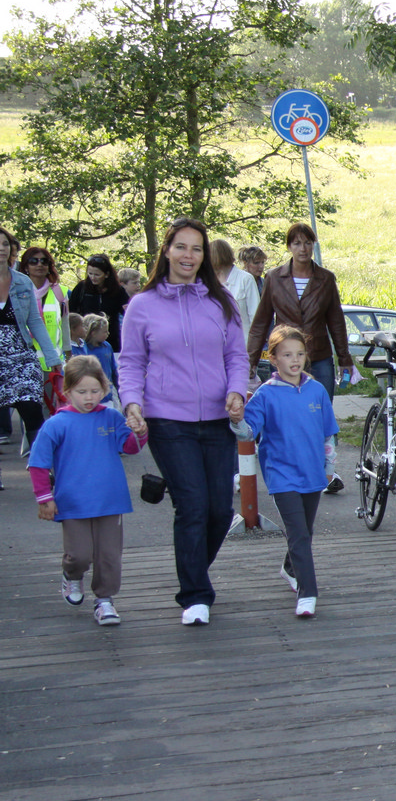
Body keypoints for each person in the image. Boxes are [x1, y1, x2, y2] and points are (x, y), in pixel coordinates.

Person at [119, 217, 248, 627]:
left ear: (204, 256)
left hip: (218, 419)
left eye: (196, 248)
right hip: (167, 420)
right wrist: (132, 403)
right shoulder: (143, 304)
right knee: (192, 505)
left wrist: (237, 390)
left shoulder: (221, 301)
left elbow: (236, 356)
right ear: (166, 251)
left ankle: (194, 570)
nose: (188, 255)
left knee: (219, 511)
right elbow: (131, 361)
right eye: (181, 247)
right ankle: (195, 594)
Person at [28, 355, 148, 627]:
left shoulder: (112, 417)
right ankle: (72, 575)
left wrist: (140, 432)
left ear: (104, 389)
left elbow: (130, 448)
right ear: (67, 391)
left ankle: (104, 600)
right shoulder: (56, 424)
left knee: (109, 556)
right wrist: (44, 498)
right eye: (81, 391)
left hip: (110, 500)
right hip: (72, 502)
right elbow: (38, 463)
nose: (89, 397)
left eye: (95, 390)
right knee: (79, 555)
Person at [230, 325, 339, 619]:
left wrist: (330, 467)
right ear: (273, 358)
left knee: (305, 531)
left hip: (313, 473)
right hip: (281, 474)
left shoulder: (317, 390)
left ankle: (290, 568)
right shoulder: (265, 394)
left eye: (300, 354)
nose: (295, 360)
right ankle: (308, 593)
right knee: (298, 533)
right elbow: (247, 433)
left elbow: (328, 434)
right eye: (287, 354)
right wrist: (237, 420)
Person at [246, 223, 352, 493]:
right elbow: (261, 322)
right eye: (297, 243)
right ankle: (293, 469)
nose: (303, 248)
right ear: (289, 246)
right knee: (288, 416)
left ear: (313, 245)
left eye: (307, 242)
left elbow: (336, 321)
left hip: (319, 357)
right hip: (286, 358)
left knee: (320, 414)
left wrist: (344, 358)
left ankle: (327, 471)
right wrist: (250, 360)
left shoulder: (326, 279)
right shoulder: (274, 278)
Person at [0, 227, 62, 452]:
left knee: (32, 408)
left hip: (21, 356)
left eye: (5, 244)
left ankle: (41, 462)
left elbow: (35, 322)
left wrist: (53, 357)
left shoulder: (22, 281)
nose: (2, 248)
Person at [19, 246, 71, 414]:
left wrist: (68, 354)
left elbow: (65, 325)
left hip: (52, 362)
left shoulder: (60, 292)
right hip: (24, 362)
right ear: (25, 266)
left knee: (51, 409)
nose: (39, 264)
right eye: (33, 261)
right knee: (29, 410)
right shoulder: (16, 292)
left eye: (44, 261)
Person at [68, 254, 127, 354]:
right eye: (90, 274)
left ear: (106, 274)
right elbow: (71, 312)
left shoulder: (118, 291)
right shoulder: (82, 288)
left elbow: (127, 313)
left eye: (97, 275)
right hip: (85, 340)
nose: (93, 277)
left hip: (111, 340)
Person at [211, 239, 259, 338]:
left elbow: (255, 317)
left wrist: (254, 344)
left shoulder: (245, 279)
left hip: (243, 342)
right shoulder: (207, 282)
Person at [78, 314, 118, 402]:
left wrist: (118, 387)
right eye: (104, 331)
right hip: (90, 396)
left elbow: (113, 369)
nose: (108, 333)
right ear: (93, 333)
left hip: (108, 393)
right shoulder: (83, 349)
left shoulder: (107, 346)